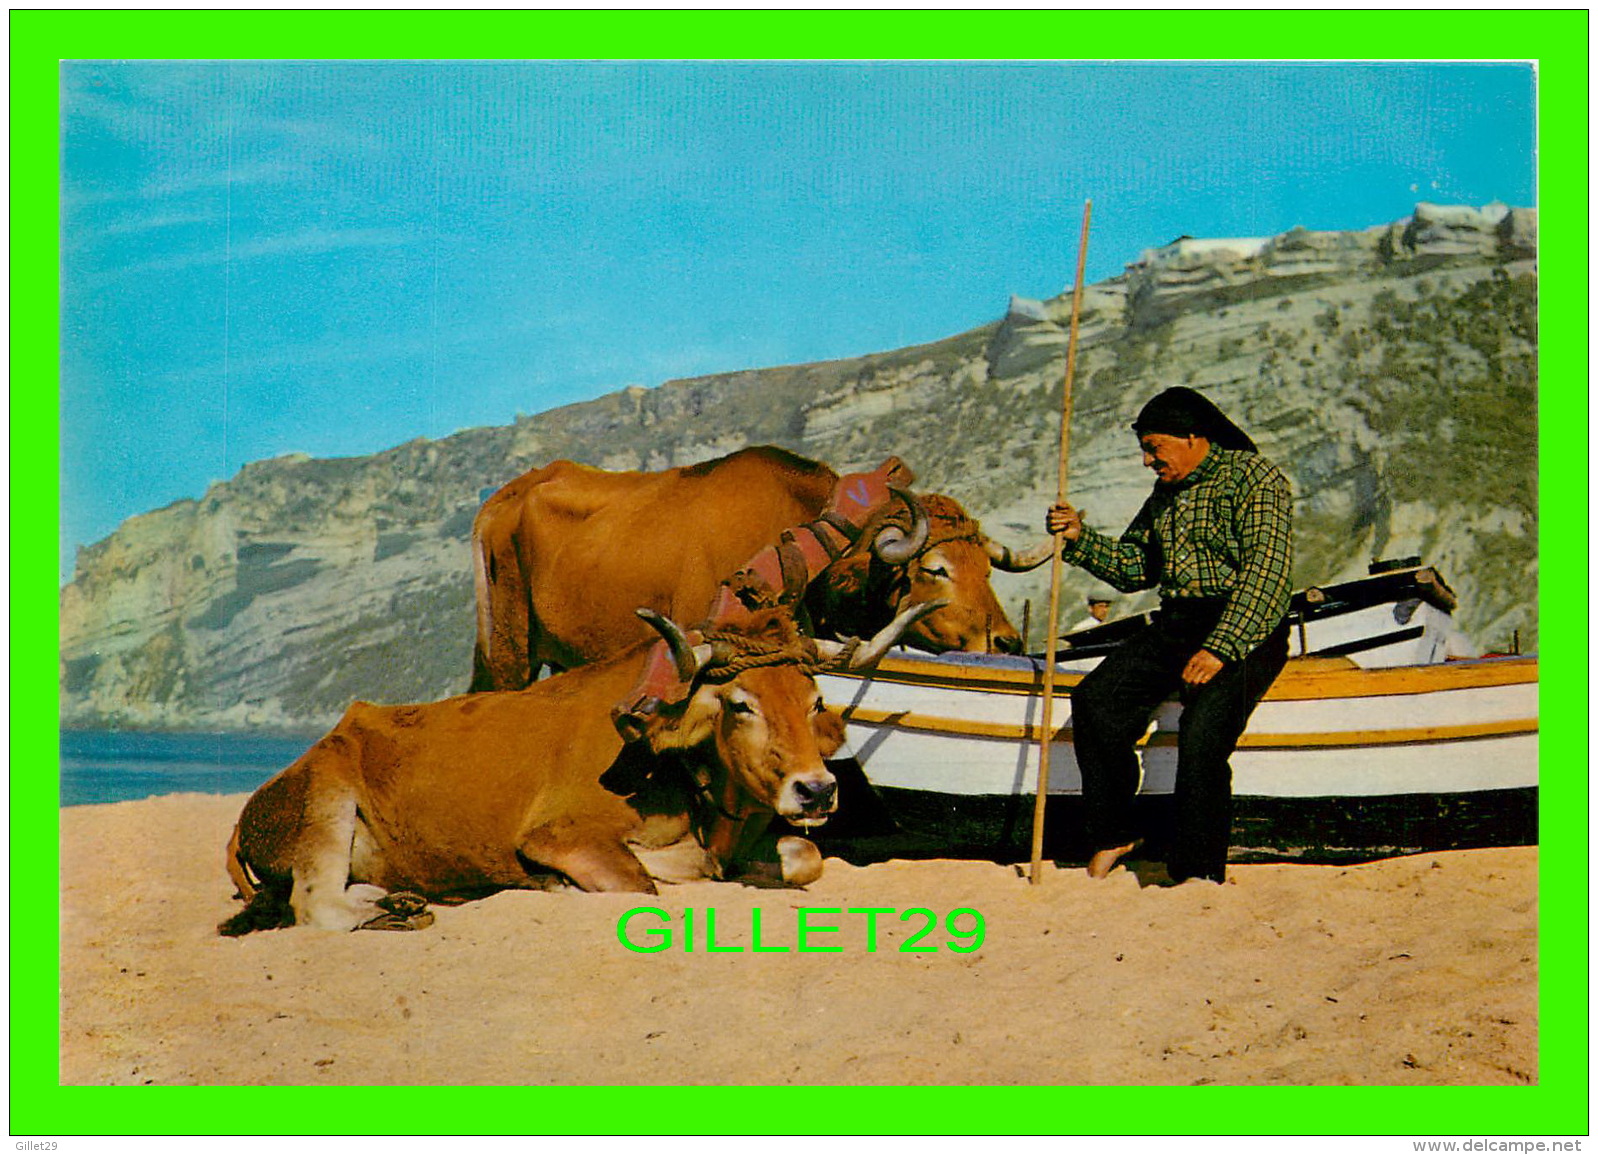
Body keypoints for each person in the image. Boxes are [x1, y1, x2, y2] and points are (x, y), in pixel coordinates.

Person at [1046, 387, 1293, 884]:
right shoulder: (1164, 493)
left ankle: (1197, 872)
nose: (1146, 460)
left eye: (1155, 447)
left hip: (1249, 625)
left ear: (1193, 437)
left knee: (1201, 736)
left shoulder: (1254, 477)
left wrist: (1220, 648)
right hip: (1179, 622)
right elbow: (1136, 567)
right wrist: (1078, 538)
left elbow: (1267, 574)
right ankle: (1116, 832)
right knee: (1097, 702)